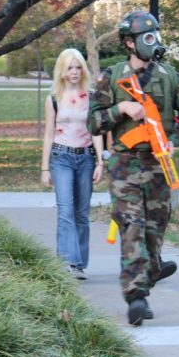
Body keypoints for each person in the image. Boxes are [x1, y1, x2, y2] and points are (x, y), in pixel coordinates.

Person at [87, 10, 179, 326]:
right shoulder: (110, 78)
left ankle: (147, 277)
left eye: (156, 36)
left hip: (158, 167)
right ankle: (136, 297)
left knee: (153, 234)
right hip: (124, 166)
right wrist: (121, 108)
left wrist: (175, 139)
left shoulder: (170, 76)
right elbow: (93, 123)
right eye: (147, 37)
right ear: (129, 42)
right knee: (132, 227)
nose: (155, 42)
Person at [42, 49, 104, 280]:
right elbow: (48, 134)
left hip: (86, 158)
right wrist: (44, 168)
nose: (75, 72)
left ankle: (79, 264)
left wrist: (100, 161)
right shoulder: (53, 99)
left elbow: (95, 131)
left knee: (81, 213)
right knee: (65, 211)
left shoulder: (91, 97)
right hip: (61, 157)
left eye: (78, 67)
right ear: (62, 70)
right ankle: (68, 262)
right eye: (70, 67)